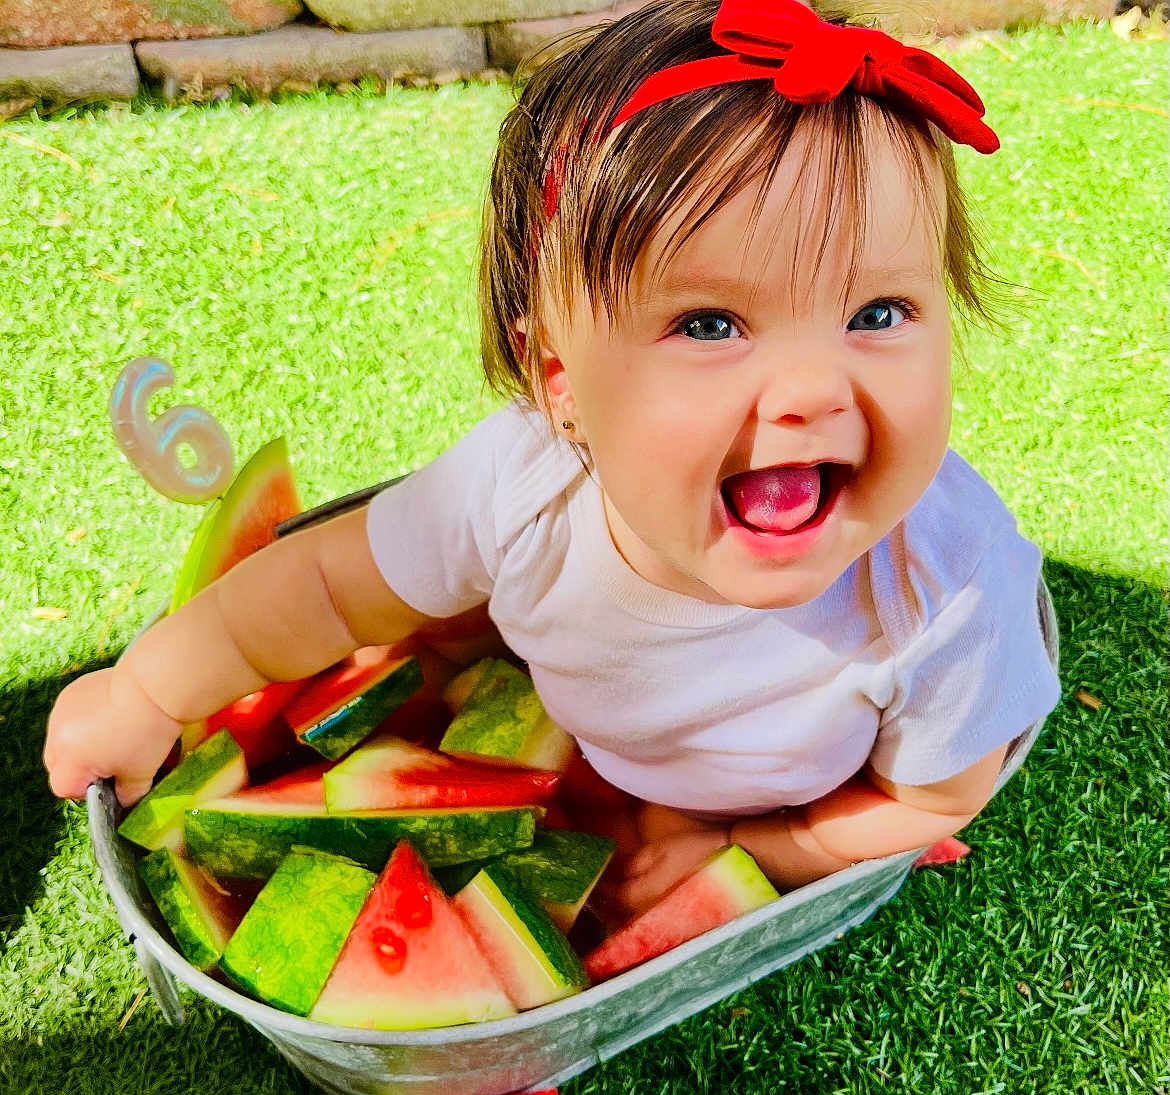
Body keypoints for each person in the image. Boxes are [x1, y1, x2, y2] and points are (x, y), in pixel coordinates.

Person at [44, 0, 1060, 917]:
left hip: (802, 795)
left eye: (878, 313)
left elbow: (935, 795)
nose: (809, 394)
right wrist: (147, 695)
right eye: (709, 324)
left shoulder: (948, 585)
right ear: (560, 380)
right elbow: (318, 583)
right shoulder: (521, 484)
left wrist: (762, 843)